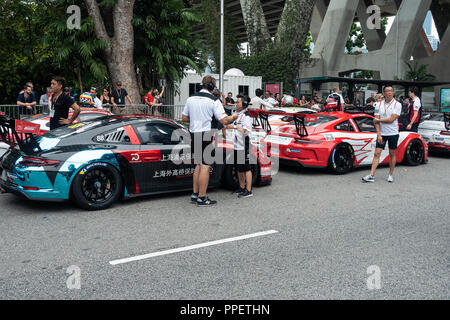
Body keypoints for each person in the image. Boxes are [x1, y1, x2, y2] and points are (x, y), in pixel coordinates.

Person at [181, 75, 238, 207]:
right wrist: (234, 116)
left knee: (198, 164)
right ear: (212, 87)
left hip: (194, 133)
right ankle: (202, 197)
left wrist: (196, 120)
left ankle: (195, 194)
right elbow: (223, 120)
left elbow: (184, 118)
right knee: (206, 166)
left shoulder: (191, 98)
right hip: (206, 134)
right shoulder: (213, 101)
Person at [362, 85, 402, 183]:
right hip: (382, 133)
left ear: (393, 93)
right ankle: (371, 175)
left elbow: (391, 119)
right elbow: (376, 121)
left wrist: (379, 119)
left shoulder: (397, 104)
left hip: (393, 133)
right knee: (377, 153)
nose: (389, 93)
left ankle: (390, 174)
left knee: (392, 153)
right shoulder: (378, 104)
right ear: (384, 93)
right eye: (387, 91)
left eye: (391, 91)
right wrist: (379, 134)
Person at [224, 95, 253, 198]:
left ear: (244, 104)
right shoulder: (237, 114)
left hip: (244, 144)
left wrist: (235, 127)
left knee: (246, 168)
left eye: (238, 102)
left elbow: (246, 130)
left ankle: (248, 190)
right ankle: (241, 187)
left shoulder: (247, 116)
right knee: (239, 168)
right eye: (236, 102)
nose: (236, 104)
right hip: (236, 145)